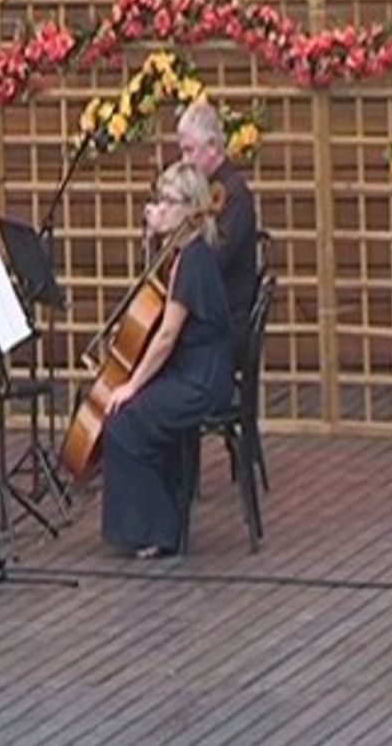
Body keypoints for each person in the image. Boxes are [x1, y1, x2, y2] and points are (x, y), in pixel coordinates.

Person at [100, 161, 233, 558]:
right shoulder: (181, 255)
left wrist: (132, 385)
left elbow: (166, 337)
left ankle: (158, 530)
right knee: (132, 414)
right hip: (191, 370)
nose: (157, 208)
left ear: (189, 209)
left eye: (167, 201)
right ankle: (162, 518)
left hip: (201, 379)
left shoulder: (193, 260)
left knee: (124, 420)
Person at [177, 100, 257, 353]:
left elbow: (213, 261)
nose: (184, 161)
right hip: (204, 315)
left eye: (189, 151)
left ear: (212, 147)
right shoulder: (203, 191)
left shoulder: (234, 195)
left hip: (221, 323)